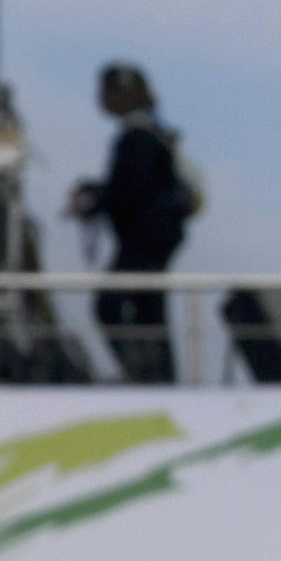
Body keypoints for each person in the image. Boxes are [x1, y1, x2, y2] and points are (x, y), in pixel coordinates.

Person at [70, 63, 195, 382]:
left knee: (111, 304)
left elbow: (132, 189)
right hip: (153, 236)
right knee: (147, 309)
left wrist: (95, 201)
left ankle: (144, 373)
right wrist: (97, 194)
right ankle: (156, 375)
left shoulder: (139, 137)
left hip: (146, 238)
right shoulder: (151, 134)